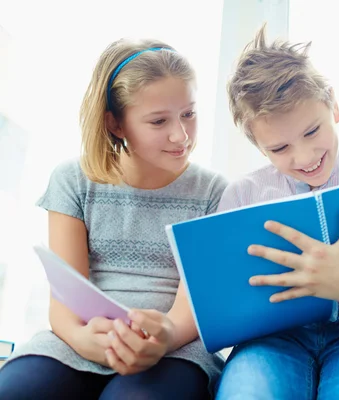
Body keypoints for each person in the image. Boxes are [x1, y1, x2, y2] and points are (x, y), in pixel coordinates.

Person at [0, 38, 227, 399]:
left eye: (189, 113)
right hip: (82, 340)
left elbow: (191, 308)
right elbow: (64, 302)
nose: (180, 135)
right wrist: (82, 340)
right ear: (116, 124)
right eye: (158, 121)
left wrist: (162, 336)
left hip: (175, 345)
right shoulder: (72, 182)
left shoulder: (214, 193)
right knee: (16, 390)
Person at [214, 25, 339, 400]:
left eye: (312, 131)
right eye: (279, 148)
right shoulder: (242, 195)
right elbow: (225, 315)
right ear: (259, 148)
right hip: (271, 340)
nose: (304, 158)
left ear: (333, 105)